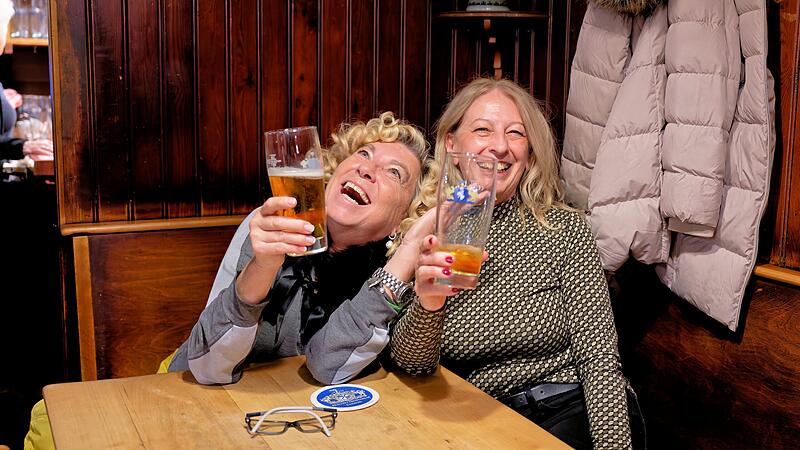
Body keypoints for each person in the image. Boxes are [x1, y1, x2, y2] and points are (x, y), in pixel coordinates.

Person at [388, 78, 644, 449]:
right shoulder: (423, 229)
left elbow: (600, 359)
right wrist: (429, 303)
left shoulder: (565, 229)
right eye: (482, 130)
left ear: (530, 152)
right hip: (480, 420)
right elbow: (411, 365)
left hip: (568, 406)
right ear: (451, 143)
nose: (500, 146)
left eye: (516, 134)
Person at [167, 111, 436, 386]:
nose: (366, 169)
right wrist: (263, 266)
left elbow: (326, 367)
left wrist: (407, 253)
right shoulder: (271, 228)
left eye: (394, 172)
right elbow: (206, 364)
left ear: (404, 217)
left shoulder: (395, 278)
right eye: (364, 154)